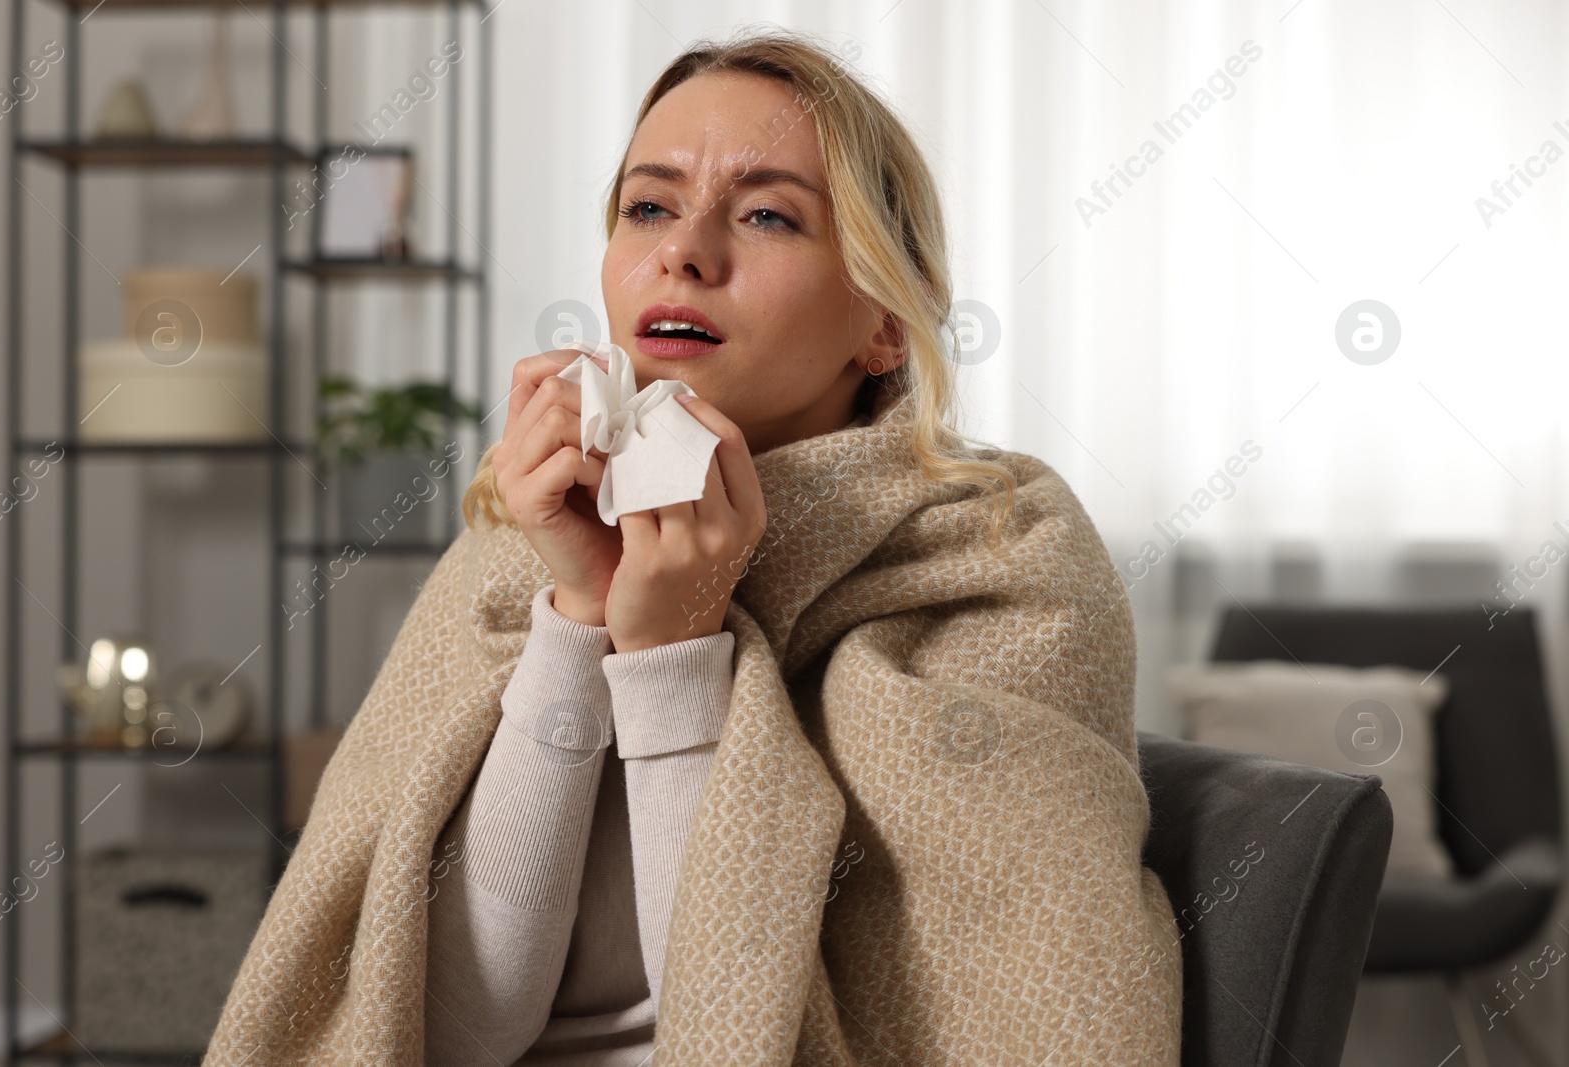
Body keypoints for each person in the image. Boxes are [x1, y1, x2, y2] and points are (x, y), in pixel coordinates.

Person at [204, 25, 1181, 1067]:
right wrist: (578, 620)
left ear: (885, 323)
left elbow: (748, 1035)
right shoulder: (518, 537)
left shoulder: (993, 552)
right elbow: (445, 1027)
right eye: (649, 206)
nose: (684, 250)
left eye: (767, 214)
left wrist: (674, 654)